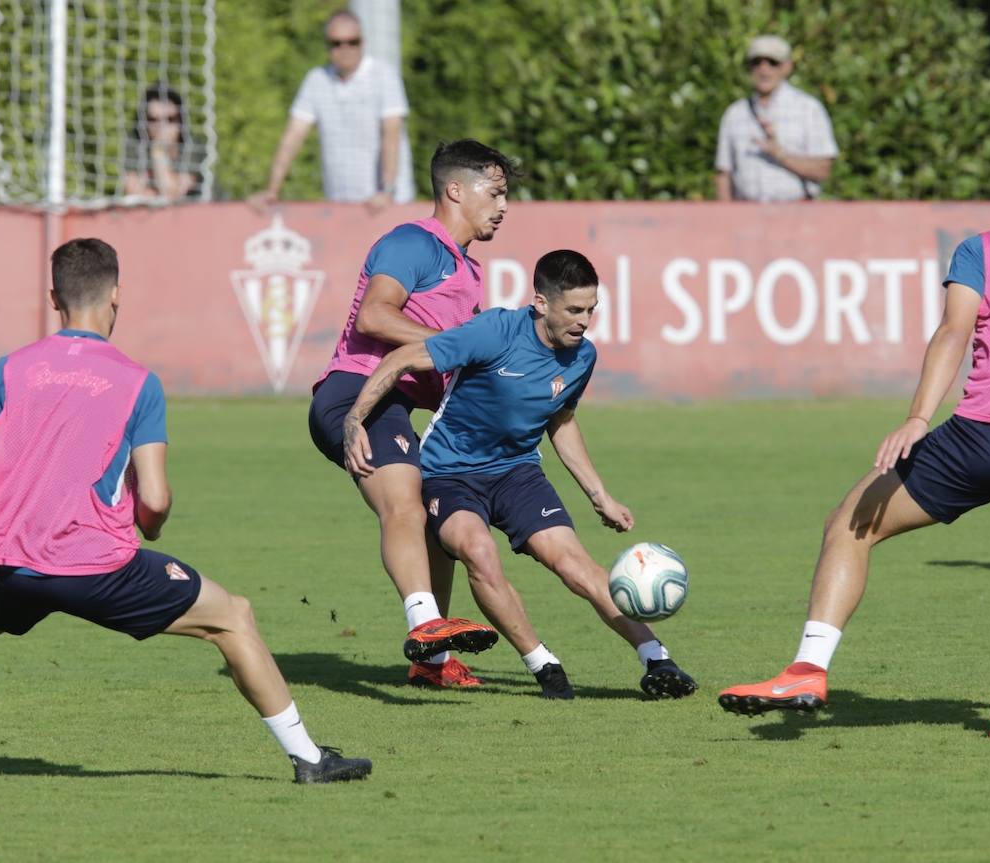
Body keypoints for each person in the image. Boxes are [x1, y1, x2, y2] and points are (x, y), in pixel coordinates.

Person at [0, 239, 370, 786]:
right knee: (234, 616)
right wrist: (150, 524)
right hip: (98, 569)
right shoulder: (137, 382)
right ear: (116, 296)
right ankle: (308, 758)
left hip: (13, 565)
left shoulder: (12, 368)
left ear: (53, 297)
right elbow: (153, 500)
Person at [718, 138, 990, 738]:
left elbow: (954, 332)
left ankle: (808, 668)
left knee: (850, 524)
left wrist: (916, 417)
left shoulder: (979, 250)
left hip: (983, 436)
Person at [342, 250, 698, 701]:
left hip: (518, 473)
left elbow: (561, 421)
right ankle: (544, 665)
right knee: (478, 551)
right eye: (574, 310)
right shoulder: (495, 331)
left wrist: (599, 495)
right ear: (541, 303)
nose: (584, 320)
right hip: (448, 475)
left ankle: (656, 657)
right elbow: (405, 358)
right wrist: (355, 417)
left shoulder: (582, 357)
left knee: (575, 565)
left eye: (591, 309)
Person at [308, 140, 512, 689]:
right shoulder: (412, 242)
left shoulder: (467, 270)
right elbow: (375, 316)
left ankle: (434, 661)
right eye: (494, 192)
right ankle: (426, 626)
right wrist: (459, 344)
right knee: (404, 507)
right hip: (356, 394)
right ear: (455, 190)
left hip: (396, 405)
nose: (503, 206)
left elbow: (447, 364)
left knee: (434, 515)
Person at [248, 10, 414, 212]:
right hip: (340, 203)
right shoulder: (316, 80)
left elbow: (391, 135)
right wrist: (272, 190)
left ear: (362, 43)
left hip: (386, 203)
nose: (345, 49)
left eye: (352, 42)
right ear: (327, 46)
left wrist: (387, 191)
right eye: (337, 43)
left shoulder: (384, 76)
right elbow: (292, 137)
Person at [714, 34, 838, 202]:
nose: (764, 70)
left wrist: (780, 155)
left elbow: (823, 170)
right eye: (757, 62)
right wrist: (725, 219)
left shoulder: (808, 109)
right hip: (746, 216)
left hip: (796, 214)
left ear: (786, 67)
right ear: (749, 67)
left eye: (772, 63)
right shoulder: (734, 114)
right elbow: (723, 173)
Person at [119, 84, 202, 202]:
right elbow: (132, 192)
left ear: (180, 120)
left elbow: (173, 194)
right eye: (153, 119)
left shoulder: (192, 146)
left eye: (170, 119)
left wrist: (158, 152)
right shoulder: (135, 144)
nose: (162, 126)